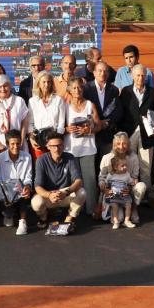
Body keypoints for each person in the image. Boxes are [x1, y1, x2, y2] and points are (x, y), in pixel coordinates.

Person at [119, 64, 154, 188]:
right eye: (138, 75)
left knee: (146, 167)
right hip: (130, 133)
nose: (140, 78)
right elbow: (120, 112)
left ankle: (146, 196)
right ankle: (127, 194)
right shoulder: (126, 91)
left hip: (147, 134)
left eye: (143, 76)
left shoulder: (151, 92)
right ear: (132, 76)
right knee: (127, 165)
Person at [32, 131, 86, 230]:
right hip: (49, 195)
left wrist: (66, 192)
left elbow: (78, 181)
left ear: (63, 145)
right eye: (53, 146)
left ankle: (69, 218)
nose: (57, 149)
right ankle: (44, 217)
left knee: (82, 192)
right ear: (48, 146)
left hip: (65, 193)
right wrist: (49, 195)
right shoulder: (41, 160)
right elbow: (38, 186)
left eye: (59, 145)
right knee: (36, 202)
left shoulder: (70, 157)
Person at [64, 77, 101, 215]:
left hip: (88, 149)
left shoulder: (90, 105)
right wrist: (67, 129)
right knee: (74, 182)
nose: (77, 90)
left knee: (90, 181)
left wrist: (89, 130)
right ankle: (75, 211)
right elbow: (61, 127)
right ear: (69, 90)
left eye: (79, 87)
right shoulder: (65, 107)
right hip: (71, 150)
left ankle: (91, 210)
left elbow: (98, 125)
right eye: (73, 88)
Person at [98, 132, 146, 223]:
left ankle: (133, 209)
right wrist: (104, 189)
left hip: (127, 191)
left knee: (141, 186)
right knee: (119, 219)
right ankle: (118, 211)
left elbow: (134, 177)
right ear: (114, 145)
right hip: (113, 193)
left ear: (128, 144)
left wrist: (128, 188)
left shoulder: (134, 157)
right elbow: (101, 178)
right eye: (118, 144)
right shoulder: (107, 158)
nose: (121, 146)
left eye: (124, 143)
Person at [84, 61, 122, 171]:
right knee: (92, 167)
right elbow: (84, 108)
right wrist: (96, 123)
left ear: (109, 74)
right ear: (94, 73)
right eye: (100, 71)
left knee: (107, 165)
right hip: (91, 134)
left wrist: (106, 123)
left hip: (107, 133)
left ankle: (105, 188)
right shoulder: (86, 89)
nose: (102, 73)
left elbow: (118, 110)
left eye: (105, 71)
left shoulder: (113, 89)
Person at [0, 130, 33, 235]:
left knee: (25, 193)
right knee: (8, 215)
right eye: (12, 144)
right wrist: (5, 196)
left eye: (18, 143)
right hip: (6, 193)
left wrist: (27, 187)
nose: (15, 146)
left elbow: (28, 177)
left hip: (20, 191)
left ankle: (23, 221)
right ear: (7, 144)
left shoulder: (27, 157)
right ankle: (8, 214)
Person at [0, 75, 29, 155]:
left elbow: (25, 122)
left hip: (17, 146)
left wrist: (21, 141)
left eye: (5, 86)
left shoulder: (19, 101)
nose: (3, 89)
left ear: (10, 86)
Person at [28, 71, 66, 160]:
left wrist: (57, 141)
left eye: (49, 82)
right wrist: (32, 138)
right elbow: (30, 122)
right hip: (38, 141)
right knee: (40, 167)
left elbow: (61, 123)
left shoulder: (58, 100)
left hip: (54, 141)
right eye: (44, 82)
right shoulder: (32, 101)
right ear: (38, 84)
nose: (46, 84)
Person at [105, 156, 136, 229]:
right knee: (114, 206)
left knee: (128, 205)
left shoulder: (127, 174)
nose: (125, 167)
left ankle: (127, 220)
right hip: (114, 195)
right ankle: (116, 221)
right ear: (115, 167)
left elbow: (131, 182)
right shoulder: (111, 175)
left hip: (124, 195)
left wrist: (133, 182)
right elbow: (107, 184)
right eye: (122, 166)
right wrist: (107, 190)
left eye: (126, 165)